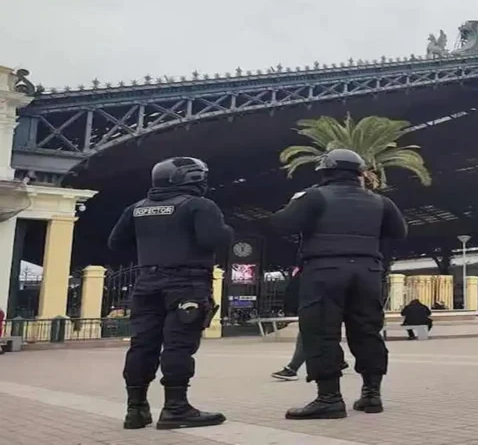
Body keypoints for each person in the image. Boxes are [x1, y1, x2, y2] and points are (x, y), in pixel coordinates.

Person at [262, 149, 407, 420]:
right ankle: (371, 395)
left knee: (320, 332)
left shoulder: (314, 196)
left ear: (325, 173)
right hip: (367, 271)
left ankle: (329, 398)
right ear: (360, 173)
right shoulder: (381, 202)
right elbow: (399, 232)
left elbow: (281, 223)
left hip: (324, 270)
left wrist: (295, 203)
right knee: (367, 331)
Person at [108, 157, 232, 431]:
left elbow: (116, 243)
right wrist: (227, 231)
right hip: (186, 284)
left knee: (142, 345)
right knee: (178, 346)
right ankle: (176, 408)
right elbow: (212, 239)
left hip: (146, 283)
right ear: (191, 179)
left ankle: (136, 410)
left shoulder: (136, 209)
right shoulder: (199, 205)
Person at [272, 266, 349, 381]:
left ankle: (292, 369)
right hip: (315, 302)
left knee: (307, 333)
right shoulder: (308, 267)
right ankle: (339, 361)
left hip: (320, 301)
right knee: (320, 334)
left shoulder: (317, 266)